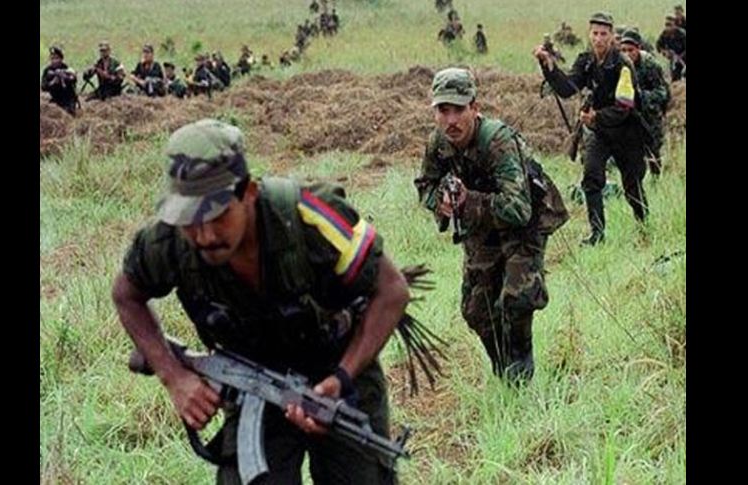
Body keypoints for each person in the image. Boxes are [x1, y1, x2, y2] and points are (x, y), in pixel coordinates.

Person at [112, 118, 411, 484]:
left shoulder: (309, 217)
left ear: (249, 192)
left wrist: (341, 377)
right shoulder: (168, 241)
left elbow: (392, 291)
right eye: (190, 219)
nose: (204, 235)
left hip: (338, 371)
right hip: (251, 379)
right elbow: (127, 295)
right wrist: (173, 376)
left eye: (218, 214)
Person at [414, 68, 567, 384]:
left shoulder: (497, 141)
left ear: (474, 107)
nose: (451, 120)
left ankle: (520, 376)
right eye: (443, 110)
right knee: (477, 309)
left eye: (459, 109)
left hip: (524, 222)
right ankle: (504, 370)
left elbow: (518, 209)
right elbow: (425, 184)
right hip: (482, 224)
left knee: (518, 298)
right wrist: (440, 201)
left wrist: (467, 201)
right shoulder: (438, 143)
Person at [534, 12, 649, 245]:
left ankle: (644, 226)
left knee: (632, 186)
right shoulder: (586, 60)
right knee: (591, 179)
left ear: (612, 36)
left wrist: (596, 116)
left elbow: (624, 107)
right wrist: (548, 66)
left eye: (603, 34)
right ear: (589, 34)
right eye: (595, 33)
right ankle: (597, 234)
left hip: (626, 131)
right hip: (599, 132)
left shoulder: (623, 65)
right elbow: (567, 88)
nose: (598, 39)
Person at [620, 29, 671, 177]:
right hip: (628, 113)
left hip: (649, 113)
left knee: (652, 149)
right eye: (623, 50)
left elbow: (663, 93)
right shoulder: (618, 64)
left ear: (639, 48)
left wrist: (641, 96)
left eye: (631, 50)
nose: (627, 54)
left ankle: (656, 179)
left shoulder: (650, 65)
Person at [40, 46, 78, 115]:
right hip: (56, 99)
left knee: (68, 114)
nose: (54, 61)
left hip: (68, 99)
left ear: (61, 59)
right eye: (52, 58)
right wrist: (53, 82)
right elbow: (43, 87)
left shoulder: (66, 68)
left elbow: (73, 81)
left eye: (56, 58)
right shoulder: (47, 70)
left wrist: (66, 78)